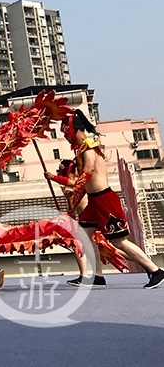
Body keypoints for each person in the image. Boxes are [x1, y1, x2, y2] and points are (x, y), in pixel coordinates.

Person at [45, 110, 164, 289]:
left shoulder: (89, 146)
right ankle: (97, 277)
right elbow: (85, 185)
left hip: (104, 200)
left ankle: (155, 271)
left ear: (74, 129)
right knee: (83, 236)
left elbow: (88, 171)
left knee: (118, 241)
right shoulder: (81, 150)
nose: (65, 136)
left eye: (65, 131)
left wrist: (65, 182)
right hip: (94, 201)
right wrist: (74, 202)